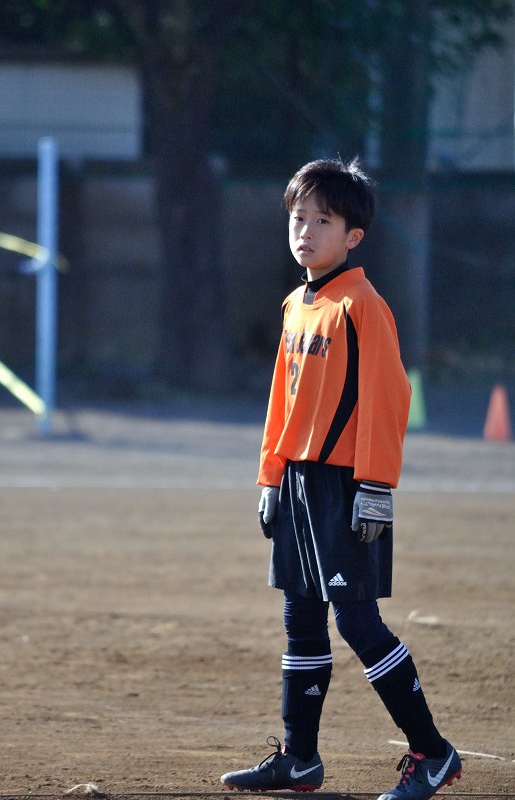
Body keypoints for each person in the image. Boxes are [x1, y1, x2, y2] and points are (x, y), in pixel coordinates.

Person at [220, 157, 461, 800]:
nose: (305, 230)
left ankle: (432, 754)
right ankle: (300, 759)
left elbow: (389, 397)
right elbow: (282, 400)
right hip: (297, 483)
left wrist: (376, 486)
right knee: (302, 620)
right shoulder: (297, 303)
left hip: (346, 486)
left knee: (357, 623)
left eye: (322, 220)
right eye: (298, 217)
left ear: (353, 235)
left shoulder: (362, 305)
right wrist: (270, 475)